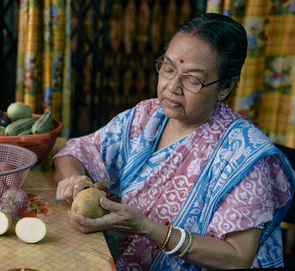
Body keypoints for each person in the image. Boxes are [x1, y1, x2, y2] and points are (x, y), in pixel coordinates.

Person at [52, 13, 295, 270]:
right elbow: (76, 151)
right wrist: (76, 182)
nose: (171, 87)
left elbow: (237, 257)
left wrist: (147, 228)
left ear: (226, 86)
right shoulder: (146, 117)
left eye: (192, 80)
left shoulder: (244, 156)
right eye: (168, 68)